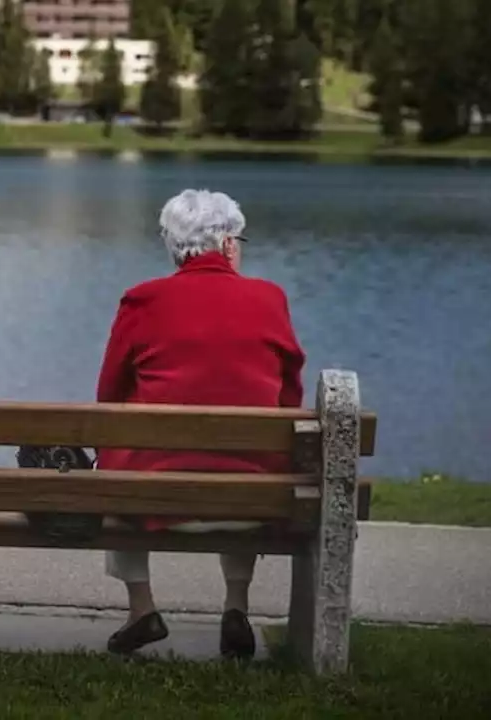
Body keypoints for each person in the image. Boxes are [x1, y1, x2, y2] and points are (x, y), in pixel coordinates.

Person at [94, 189, 306, 660]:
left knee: (112, 469)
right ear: (229, 244)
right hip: (251, 497)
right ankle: (236, 606)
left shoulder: (143, 300)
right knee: (251, 456)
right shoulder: (269, 298)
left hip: (156, 494)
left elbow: (108, 394)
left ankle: (141, 609)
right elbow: (290, 397)